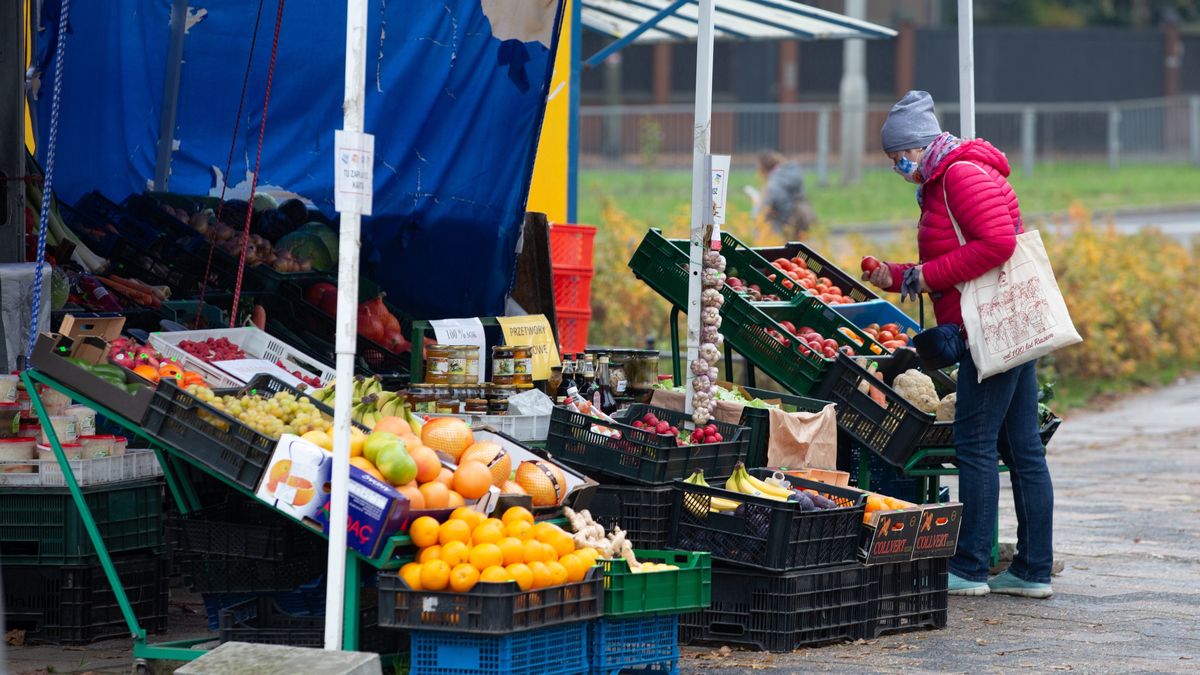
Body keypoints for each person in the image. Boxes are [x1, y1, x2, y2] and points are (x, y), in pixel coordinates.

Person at [861, 90, 1055, 599]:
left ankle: (970, 568)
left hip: (990, 329)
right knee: (1021, 449)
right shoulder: (945, 179)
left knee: (974, 444)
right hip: (1003, 322)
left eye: (896, 156)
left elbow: (997, 245)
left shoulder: (961, 176)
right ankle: (1033, 570)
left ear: (918, 146)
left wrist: (924, 277)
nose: (896, 166)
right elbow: (956, 256)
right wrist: (899, 275)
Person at [749, 152, 816, 239]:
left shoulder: (773, 184)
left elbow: (760, 212)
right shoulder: (789, 175)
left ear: (763, 168)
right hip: (800, 219)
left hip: (784, 225)